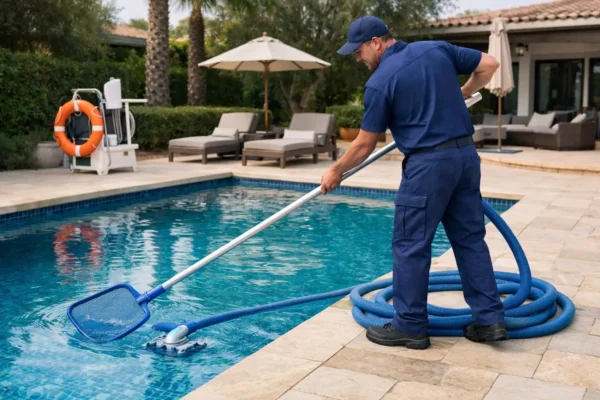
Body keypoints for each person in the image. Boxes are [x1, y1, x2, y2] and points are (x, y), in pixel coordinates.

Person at [321, 16, 508, 350]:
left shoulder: (380, 83)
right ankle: (489, 321)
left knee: (410, 244)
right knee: (470, 240)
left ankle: (409, 326)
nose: (358, 58)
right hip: (465, 158)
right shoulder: (436, 49)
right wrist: (464, 91)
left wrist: (335, 171)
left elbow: (365, 144)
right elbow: (490, 64)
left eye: (359, 51)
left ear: (376, 42)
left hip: (428, 167)